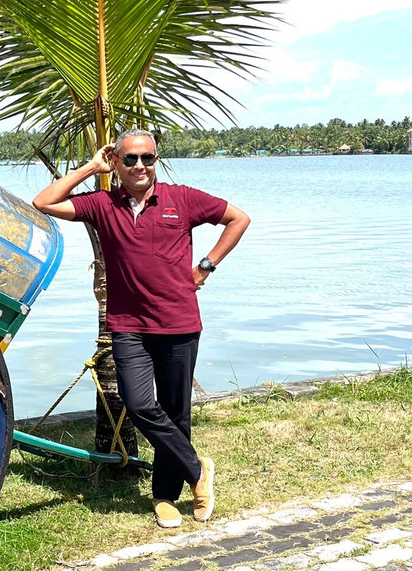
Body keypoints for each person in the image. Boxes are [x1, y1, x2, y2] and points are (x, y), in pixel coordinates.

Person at [33, 129, 250, 528]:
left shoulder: (181, 198)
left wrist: (205, 266)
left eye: (147, 158)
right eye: (129, 159)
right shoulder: (102, 204)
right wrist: (92, 168)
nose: (139, 167)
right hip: (128, 325)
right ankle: (198, 470)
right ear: (116, 162)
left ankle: (165, 496)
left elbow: (239, 218)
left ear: (156, 160)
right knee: (138, 404)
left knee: (176, 413)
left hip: (179, 323)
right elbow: (44, 201)